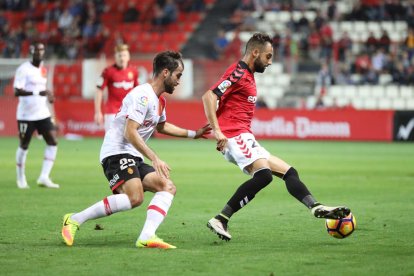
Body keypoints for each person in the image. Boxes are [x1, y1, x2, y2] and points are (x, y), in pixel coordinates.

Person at [201, 33, 351, 241]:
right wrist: (217, 130)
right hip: (235, 135)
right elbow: (209, 96)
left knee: (289, 172)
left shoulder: (247, 75)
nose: (270, 62)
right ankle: (221, 218)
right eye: (268, 56)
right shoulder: (238, 72)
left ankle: (315, 206)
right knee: (263, 175)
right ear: (255, 52)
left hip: (244, 135)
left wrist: (217, 121)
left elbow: (222, 101)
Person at [61, 51, 211, 249]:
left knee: (167, 187)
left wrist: (194, 134)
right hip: (116, 151)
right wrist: (155, 158)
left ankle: (147, 236)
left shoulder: (160, 101)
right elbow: (129, 132)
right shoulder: (142, 95)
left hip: (132, 155)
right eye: (178, 75)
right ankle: (74, 219)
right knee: (135, 197)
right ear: (165, 73)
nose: (179, 81)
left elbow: (162, 126)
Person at [14, 42, 59, 189]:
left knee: (52, 141)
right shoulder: (23, 69)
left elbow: (41, 87)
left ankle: (44, 177)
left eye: (42, 50)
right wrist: (37, 93)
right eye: (37, 50)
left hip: (42, 112)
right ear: (32, 52)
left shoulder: (43, 69)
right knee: (24, 145)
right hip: (26, 115)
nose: (40, 52)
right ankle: (21, 178)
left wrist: (48, 95)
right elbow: (17, 91)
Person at [95, 44, 138, 131]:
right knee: (112, 142)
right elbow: (99, 90)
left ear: (128, 57)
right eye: (119, 55)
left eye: (124, 55)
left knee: (129, 142)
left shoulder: (134, 71)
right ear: (115, 57)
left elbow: (137, 91)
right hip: (112, 113)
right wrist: (97, 112)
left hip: (129, 112)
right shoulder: (108, 71)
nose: (122, 58)